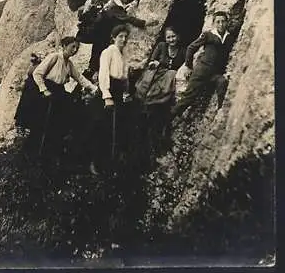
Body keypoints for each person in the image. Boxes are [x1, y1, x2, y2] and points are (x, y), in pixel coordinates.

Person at [14, 36, 97, 155]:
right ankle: (33, 151)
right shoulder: (55, 57)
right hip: (45, 89)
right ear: (64, 46)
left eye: (76, 48)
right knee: (40, 122)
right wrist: (44, 90)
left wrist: (94, 88)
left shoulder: (69, 64)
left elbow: (79, 78)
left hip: (58, 90)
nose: (74, 50)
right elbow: (37, 73)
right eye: (72, 46)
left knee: (69, 109)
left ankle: (61, 141)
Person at [172, 11, 234, 121]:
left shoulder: (229, 37)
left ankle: (220, 112)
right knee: (188, 98)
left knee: (222, 82)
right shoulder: (208, 35)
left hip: (214, 73)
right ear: (214, 23)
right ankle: (167, 121)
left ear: (227, 23)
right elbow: (191, 48)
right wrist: (188, 66)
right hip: (201, 71)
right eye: (218, 22)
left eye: (223, 21)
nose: (221, 24)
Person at [135, 27, 186, 159]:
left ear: (178, 36)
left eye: (173, 36)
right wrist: (155, 63)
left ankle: (158, 147)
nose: (171, 39)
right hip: (156, 77)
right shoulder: (162, 46)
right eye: (169, 37)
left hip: (168, 82)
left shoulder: (183, 51)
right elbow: (151, 60)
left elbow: (184, 67)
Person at [91, 24, 131, 172]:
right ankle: (97, 163)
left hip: (119, 92)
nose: (124, 39)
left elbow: (124, 78)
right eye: (120, 36)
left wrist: (126, 93)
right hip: (108, 91)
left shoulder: (123, 55)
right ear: (114, 37)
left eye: (126, 36)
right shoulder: (108, 52)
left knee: (117, 127)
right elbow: (103, 74)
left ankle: (112, 163)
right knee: (103, 127)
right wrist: (107, 95)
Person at [88, 0, 146, 73]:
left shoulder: (117, 2)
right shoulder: (114, 7)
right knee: (96, 64)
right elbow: (128, 18)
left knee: (98, 62)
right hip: (102, 39)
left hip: (103, 37)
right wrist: (143, 23)